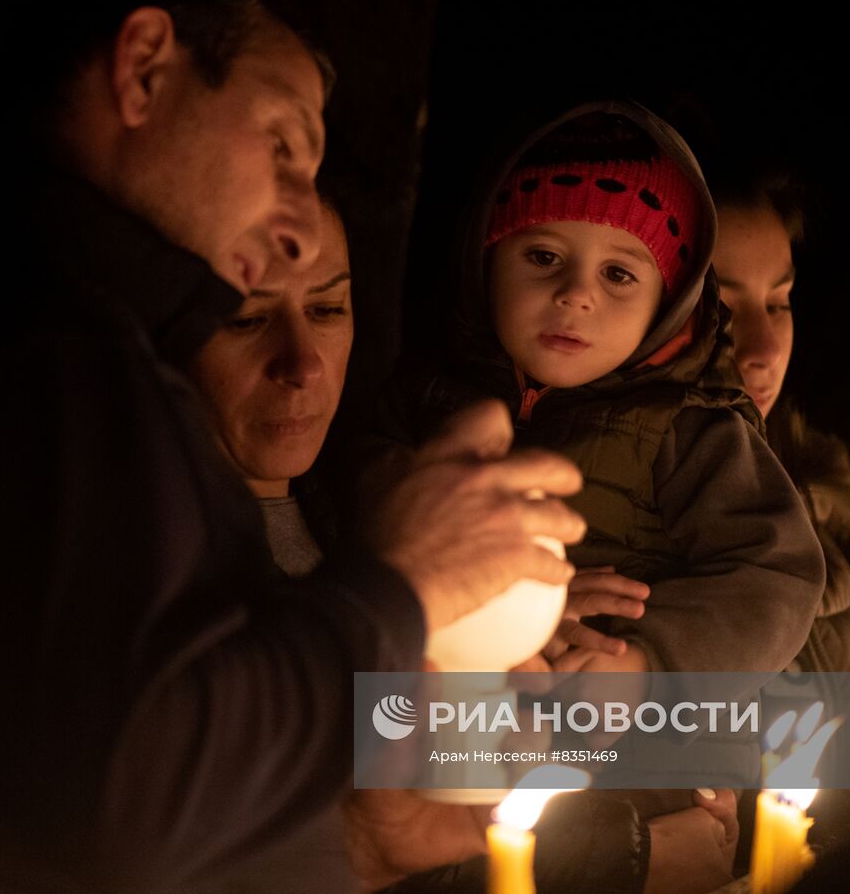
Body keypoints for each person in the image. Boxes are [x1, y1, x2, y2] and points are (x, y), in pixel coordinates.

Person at [0, 0, 589, 894]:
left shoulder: (33, 329)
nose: (296, 228)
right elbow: (141, 799)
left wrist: (358, 847)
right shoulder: (29, 342)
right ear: (142, 69)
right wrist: (406, 583)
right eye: (284, 147)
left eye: (330, 307)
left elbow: (104, 799)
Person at [191, 199, 741, 894]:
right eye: (247, 319)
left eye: (329, 310)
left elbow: (406, 815)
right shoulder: (161, 575)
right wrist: (626, 854)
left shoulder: (345, 516)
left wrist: (505, 617)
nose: (303, 364)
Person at [710, 170, 850, 830]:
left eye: (778, 303)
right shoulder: (620, 542)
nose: (762, 351)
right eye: (722, 308)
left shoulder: (809, 499)